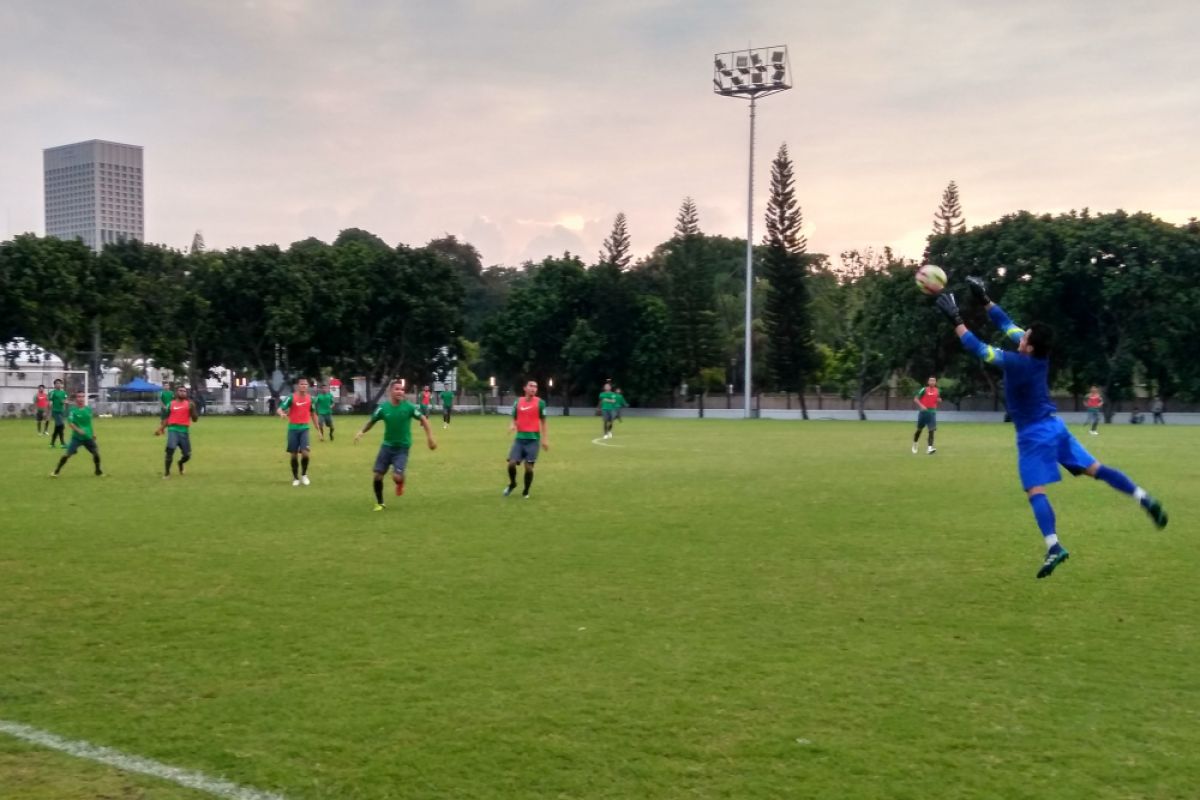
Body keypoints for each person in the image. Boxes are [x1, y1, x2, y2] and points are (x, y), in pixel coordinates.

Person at [935, 277, 1168, 579]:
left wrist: (955, 319)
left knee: (1035, 490)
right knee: (1096, 468)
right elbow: (1006, 324)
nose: (1020, 335)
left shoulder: (1018, 362)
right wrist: (985, 300)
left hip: (1033, 435)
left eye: (1024, 336)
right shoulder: (1038, 355)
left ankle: (1054, 545)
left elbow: (980, 349)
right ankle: (1143, 497)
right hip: (1056, 428)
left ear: (1029, 347)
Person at [354, 380, 437, 511]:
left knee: (396, 477)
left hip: (402, 448)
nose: (400, 392)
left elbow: (423, 419)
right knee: (377, 475)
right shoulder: (383, 408)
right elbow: (372, 421)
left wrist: (430, 437)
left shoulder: (408, 407)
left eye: (402, 389)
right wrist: (361, 432)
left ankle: (400, 482)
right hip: (386, 447)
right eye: (397, 389)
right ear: (390, 391)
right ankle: (380, 503)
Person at [505, 379, 549, 498]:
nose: (533, 388)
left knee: (529, 468)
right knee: (511, 464)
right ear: (525, 388)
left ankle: (526, 490)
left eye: (535, 386)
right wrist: (512, 424)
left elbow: (544, 422)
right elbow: (514, 417)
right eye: (531, 386)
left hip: (533, 440)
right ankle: (513, 483)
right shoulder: (518, 402)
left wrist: (545, 439)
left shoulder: (540, 403)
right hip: (519, 439)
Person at [50, 390, 103, 477]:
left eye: (82, 396)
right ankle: (56, 471)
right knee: (67, 454)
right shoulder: (72, 410)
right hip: (77, 438)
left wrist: (93, 433)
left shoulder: (88, 409)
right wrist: (78, 430)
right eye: (79, 396)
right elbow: (70, 423)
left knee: (96, 453)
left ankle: (98, 471)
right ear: (76, 398)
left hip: (88, 437)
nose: (81, 398)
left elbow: (89, 423)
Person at [155, 385, 199, 478]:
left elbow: (195, 419)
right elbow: (167, 419)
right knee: (170, 450)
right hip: (173, 430)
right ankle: (167, 473)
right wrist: (161, 429)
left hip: (184, 431)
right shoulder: (171, 404)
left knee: (187, 455)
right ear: (176, 393)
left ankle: (180, 463)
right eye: (180, 391)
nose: (182, 392)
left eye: (184, 391)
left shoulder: (189, 404)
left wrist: (193, 409)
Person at [278, 378, 315, 486]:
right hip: (293, 429)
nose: (304, 386)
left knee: (305, 453)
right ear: (298, 386)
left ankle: (304, 475)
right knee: (293, 455)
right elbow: (280, 408)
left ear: (308, 386)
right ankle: (295, 478)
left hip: (305, 429)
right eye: (302, 384)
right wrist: (281, 413)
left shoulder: (310, 399)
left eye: (306, 384)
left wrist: (319, 430)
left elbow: (313, 414)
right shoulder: (291, 397)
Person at [911, 376, 939, 454]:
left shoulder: (937, 391)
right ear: (928, 382)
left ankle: (929, 448)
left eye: (934, 381)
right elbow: (916, 399)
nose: (932, 382)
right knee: (919, 430)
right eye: (931, 381)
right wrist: (922, 406)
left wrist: (938, 400)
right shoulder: (924, 389)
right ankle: (915, 444)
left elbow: (936, 399)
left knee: (931, 430)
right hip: (923, 413)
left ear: (935, 382)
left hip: (932, 413)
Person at [48, 378, 69, 448]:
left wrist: (65, 402)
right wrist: (49, 409)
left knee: (57, 428)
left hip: (61, 412)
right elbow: (50, 402)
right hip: (55, 412)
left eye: (59, 383)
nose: (58, 384)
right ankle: (63, 443)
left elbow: (66, 401)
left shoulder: (64, 393)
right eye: (57, 383)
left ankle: (52, 443)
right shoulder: (52, 393)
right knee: (61, 425)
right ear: (54, 385)